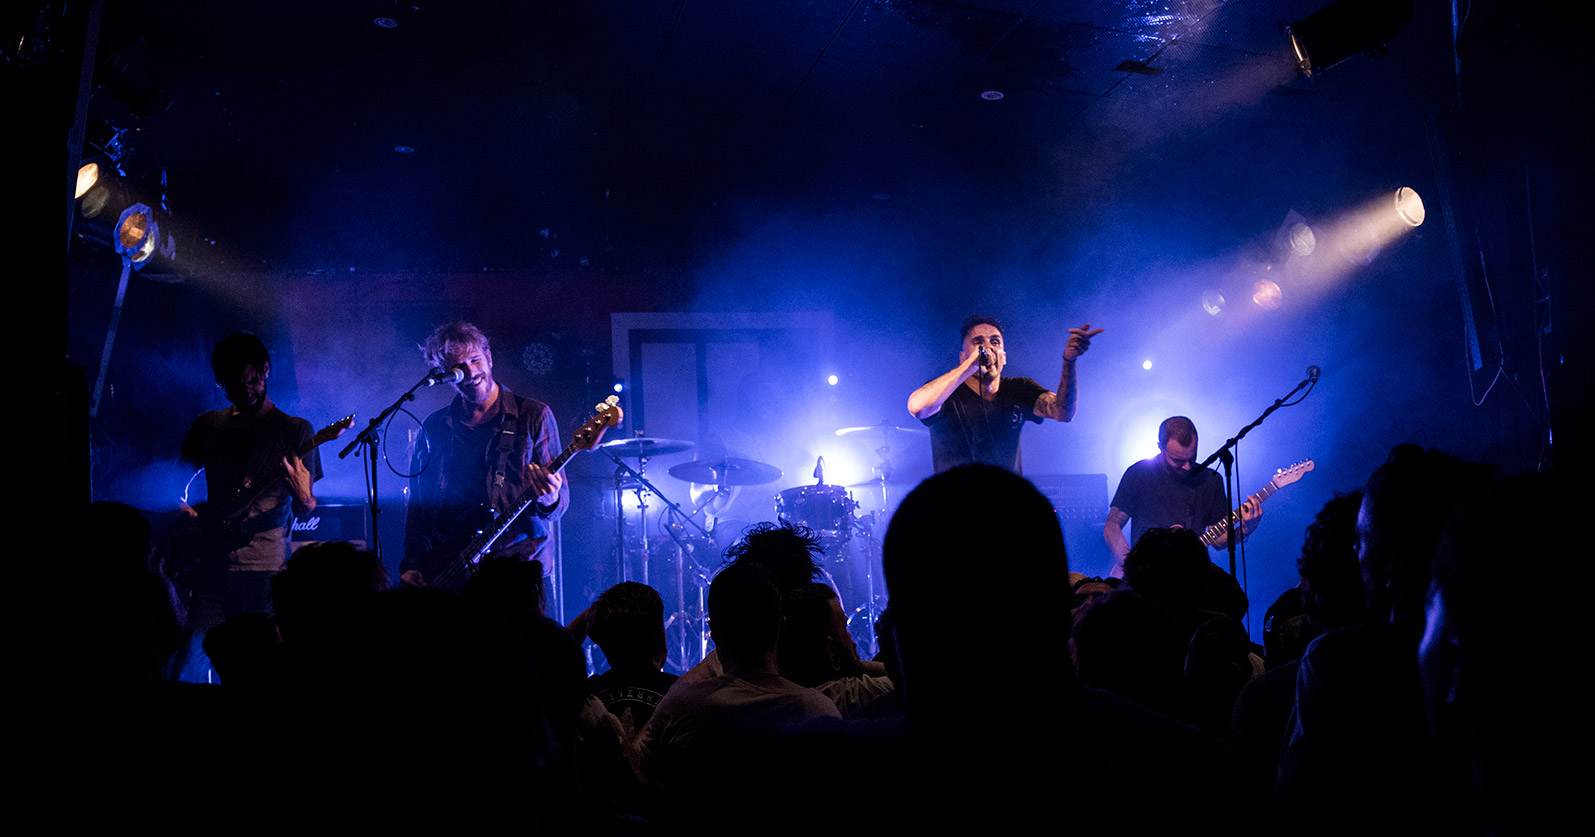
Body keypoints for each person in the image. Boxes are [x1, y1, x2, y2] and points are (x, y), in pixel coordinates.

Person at [401, 322, 568, 589]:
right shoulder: (434, 427)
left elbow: (558, 507)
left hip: (518, 570)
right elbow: (419, 507)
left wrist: (550, 497)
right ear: (444, 373)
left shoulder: (533, 416)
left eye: (475, 360)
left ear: (489, 358)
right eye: (458, 367)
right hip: (451, 571)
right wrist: (411, 564)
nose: (470, 372)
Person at [178, 333, 322, 633]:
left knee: (264, 663)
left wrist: (305, 497)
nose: (246, 390)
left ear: (265, 369)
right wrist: (185, 514)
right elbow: (175, 485)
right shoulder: (208, 425)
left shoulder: (295, 430)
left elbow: (307, 507)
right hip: (211, 565)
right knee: (188, 663)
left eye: (252, 380)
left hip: (265, 568)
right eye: (235, 383)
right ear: (220, 381)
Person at [907, 315, 1102, 473]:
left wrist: (1069, 361)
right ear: (962, 357)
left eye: (995, 341)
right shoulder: (946, 393)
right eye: (978, 342)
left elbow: (1063, 412)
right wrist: (970, 365)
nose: (988, 347)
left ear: (1004, 357)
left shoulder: (1020, 388)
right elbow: (917, 407)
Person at [1103, 416, 1260, 576]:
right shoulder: (1139, 473)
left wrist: (1245, 530)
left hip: (1192, 578)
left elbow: (1218, 541)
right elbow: (1112, 525)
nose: (1186, 466)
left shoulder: (1210, 480)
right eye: (1177, 460)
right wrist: (1129, 562)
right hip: (1146, 578)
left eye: (1192, 458)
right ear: (1160, 447)